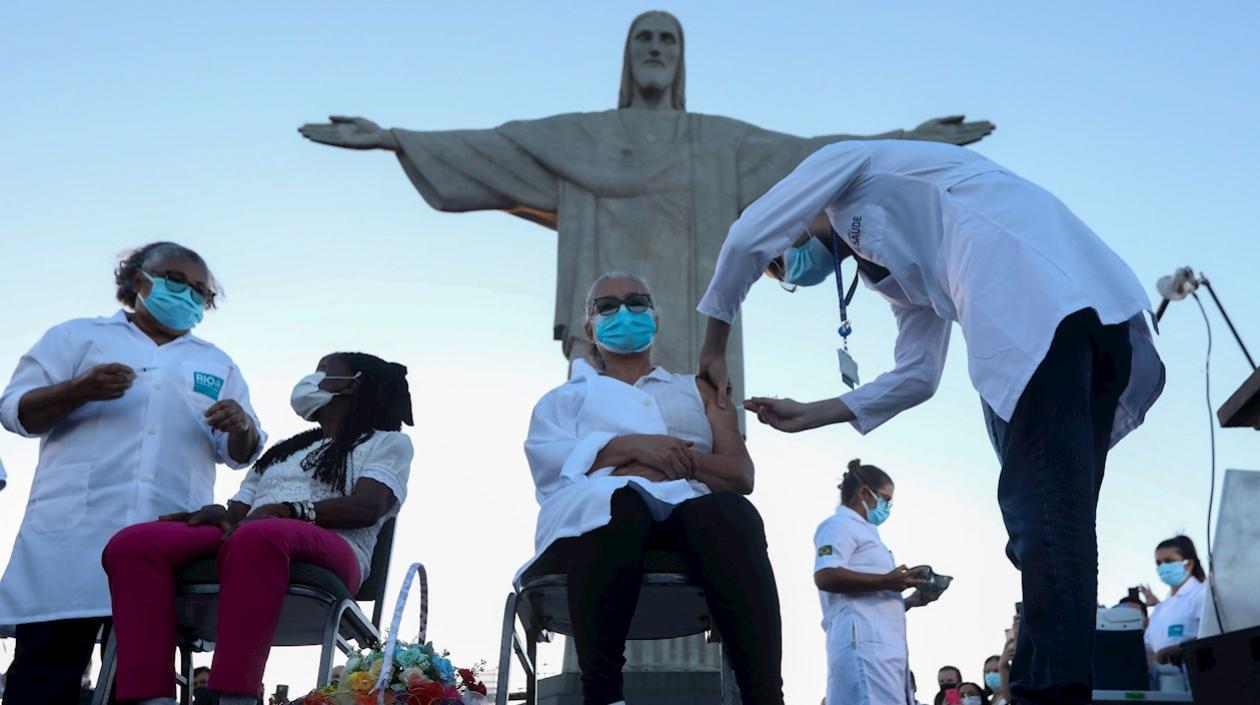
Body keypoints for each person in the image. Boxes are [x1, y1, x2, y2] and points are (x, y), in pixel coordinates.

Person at [695, 139, 1165, 705]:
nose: (785, 264)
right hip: (1081, 313)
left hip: (1035, 308)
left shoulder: (849, 165)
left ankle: (1051, 693)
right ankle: (1049, 685)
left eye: (779, 256)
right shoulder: (892, 272)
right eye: (778, 273)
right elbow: (918, 374)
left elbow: (747, 236)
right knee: (1054, 524)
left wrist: (714, 344)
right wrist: (814, 413)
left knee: (1044, 524)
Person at [0, 242, 265, 705]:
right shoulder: (77, 338)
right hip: (72, 540)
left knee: (139, 686)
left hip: (161, 544)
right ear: (137, 280)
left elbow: (239, 454)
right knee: (43, 679)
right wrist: (79, 389)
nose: (186, 294)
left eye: (199, 291)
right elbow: (15, 412)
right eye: (175, 280)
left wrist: (242, 424)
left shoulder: (216, 363)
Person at [521, 272, 782, 705]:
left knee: (731, 513)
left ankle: (765, 697)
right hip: (598, 526)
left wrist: (677, 458)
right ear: (590, 328)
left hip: (689, 515)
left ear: (656, 318)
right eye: (607, 306)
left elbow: (740, 475)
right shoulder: (563, 400)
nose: (623, 312)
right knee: (617, 502)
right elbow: (550, 463)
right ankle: (602, 696)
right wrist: (631, 448)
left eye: (636, 301)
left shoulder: (698, 390)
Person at [101, 353, 413, 705]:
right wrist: (218, 513)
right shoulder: (282, 452)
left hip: (335, 547)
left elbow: (369, 506)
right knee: (134, 544)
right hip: (255, 537)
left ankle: (234, 695)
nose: (310, 379)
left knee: (258, 536)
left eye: (321, 372)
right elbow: (240, 515)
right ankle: (149, 696)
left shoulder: (387, 443)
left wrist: (290, 511)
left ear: (352, 383)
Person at [814, 460, 939, 705]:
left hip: (884, 648)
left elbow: (870, 601)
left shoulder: (868, 533)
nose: (887, 507)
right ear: (863, 493)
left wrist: (910, 600)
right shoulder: (838, 526)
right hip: (863, 646)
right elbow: (825, 575)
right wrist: (886, 579)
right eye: (885, 499)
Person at [1141, 535, 1207, 690]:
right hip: (1164, 688)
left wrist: (1175, 651)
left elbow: (1213, 635)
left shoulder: (1203, 594)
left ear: (1188, 564)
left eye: (1168, 561)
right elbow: (1148, 648)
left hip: (1198, 686)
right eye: (1158, 563)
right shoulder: (1159, 610)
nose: (1162, 567)